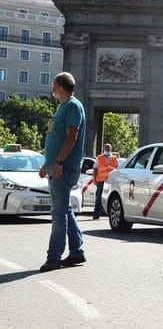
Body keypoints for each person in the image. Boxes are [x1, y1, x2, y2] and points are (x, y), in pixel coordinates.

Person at [38, 72, 86, 272]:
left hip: (64, 167)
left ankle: (54, 257)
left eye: (53, 84)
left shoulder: (73, 106)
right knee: (64, 209)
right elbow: (56, 137)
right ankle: (76, 252)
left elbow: (71, 136)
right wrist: (47, 163)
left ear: (58, 85)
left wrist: (58, 162)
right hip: (57, 166)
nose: (51, 86)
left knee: (58, 214)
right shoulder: (63, 106)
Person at [93, 143, 118, 219]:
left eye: (108, 148)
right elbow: (95, 168)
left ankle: (108, 213)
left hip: (110, 181)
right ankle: (96, 214)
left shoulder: (114, 158)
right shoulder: (99, 157)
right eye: (106, 148)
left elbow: (117, 169)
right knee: (98, 197)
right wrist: (95, 180)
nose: (107, 149)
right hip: (101, 180)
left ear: (111, 149)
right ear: (104, 148)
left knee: (110, 197)